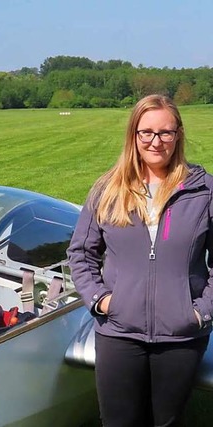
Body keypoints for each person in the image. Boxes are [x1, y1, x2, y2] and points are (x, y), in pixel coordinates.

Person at [67, 94, 213, 426]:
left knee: (166, 422)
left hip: (181, 336)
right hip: (119, 332)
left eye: (165, 132)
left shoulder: (204, 191)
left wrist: (201, 311)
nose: (156, 141)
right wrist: (101, 301)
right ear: (134, 135)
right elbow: (80, 253)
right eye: (146, 132)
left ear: (178, 134)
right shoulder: (108, 189)